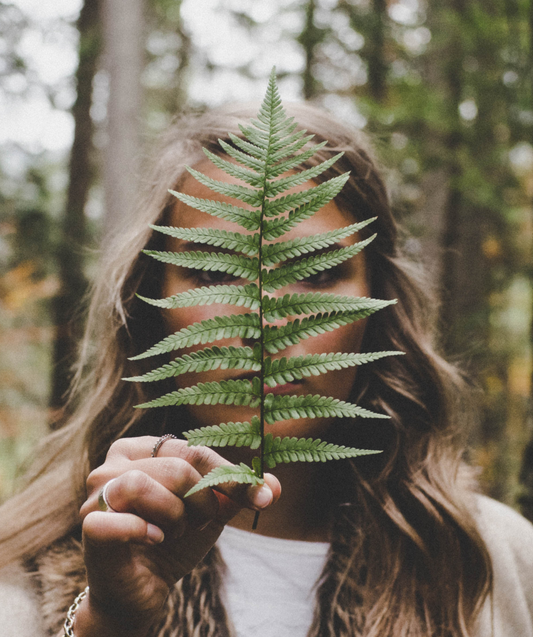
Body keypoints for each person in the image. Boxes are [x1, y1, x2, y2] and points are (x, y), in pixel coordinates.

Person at [0, 99, 532, 637]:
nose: (262, 319)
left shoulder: (492, 564)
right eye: (213, 271)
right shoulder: (26, 571)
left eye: (318, 273)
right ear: (148, 305)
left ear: (380, 307)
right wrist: (107, 624)